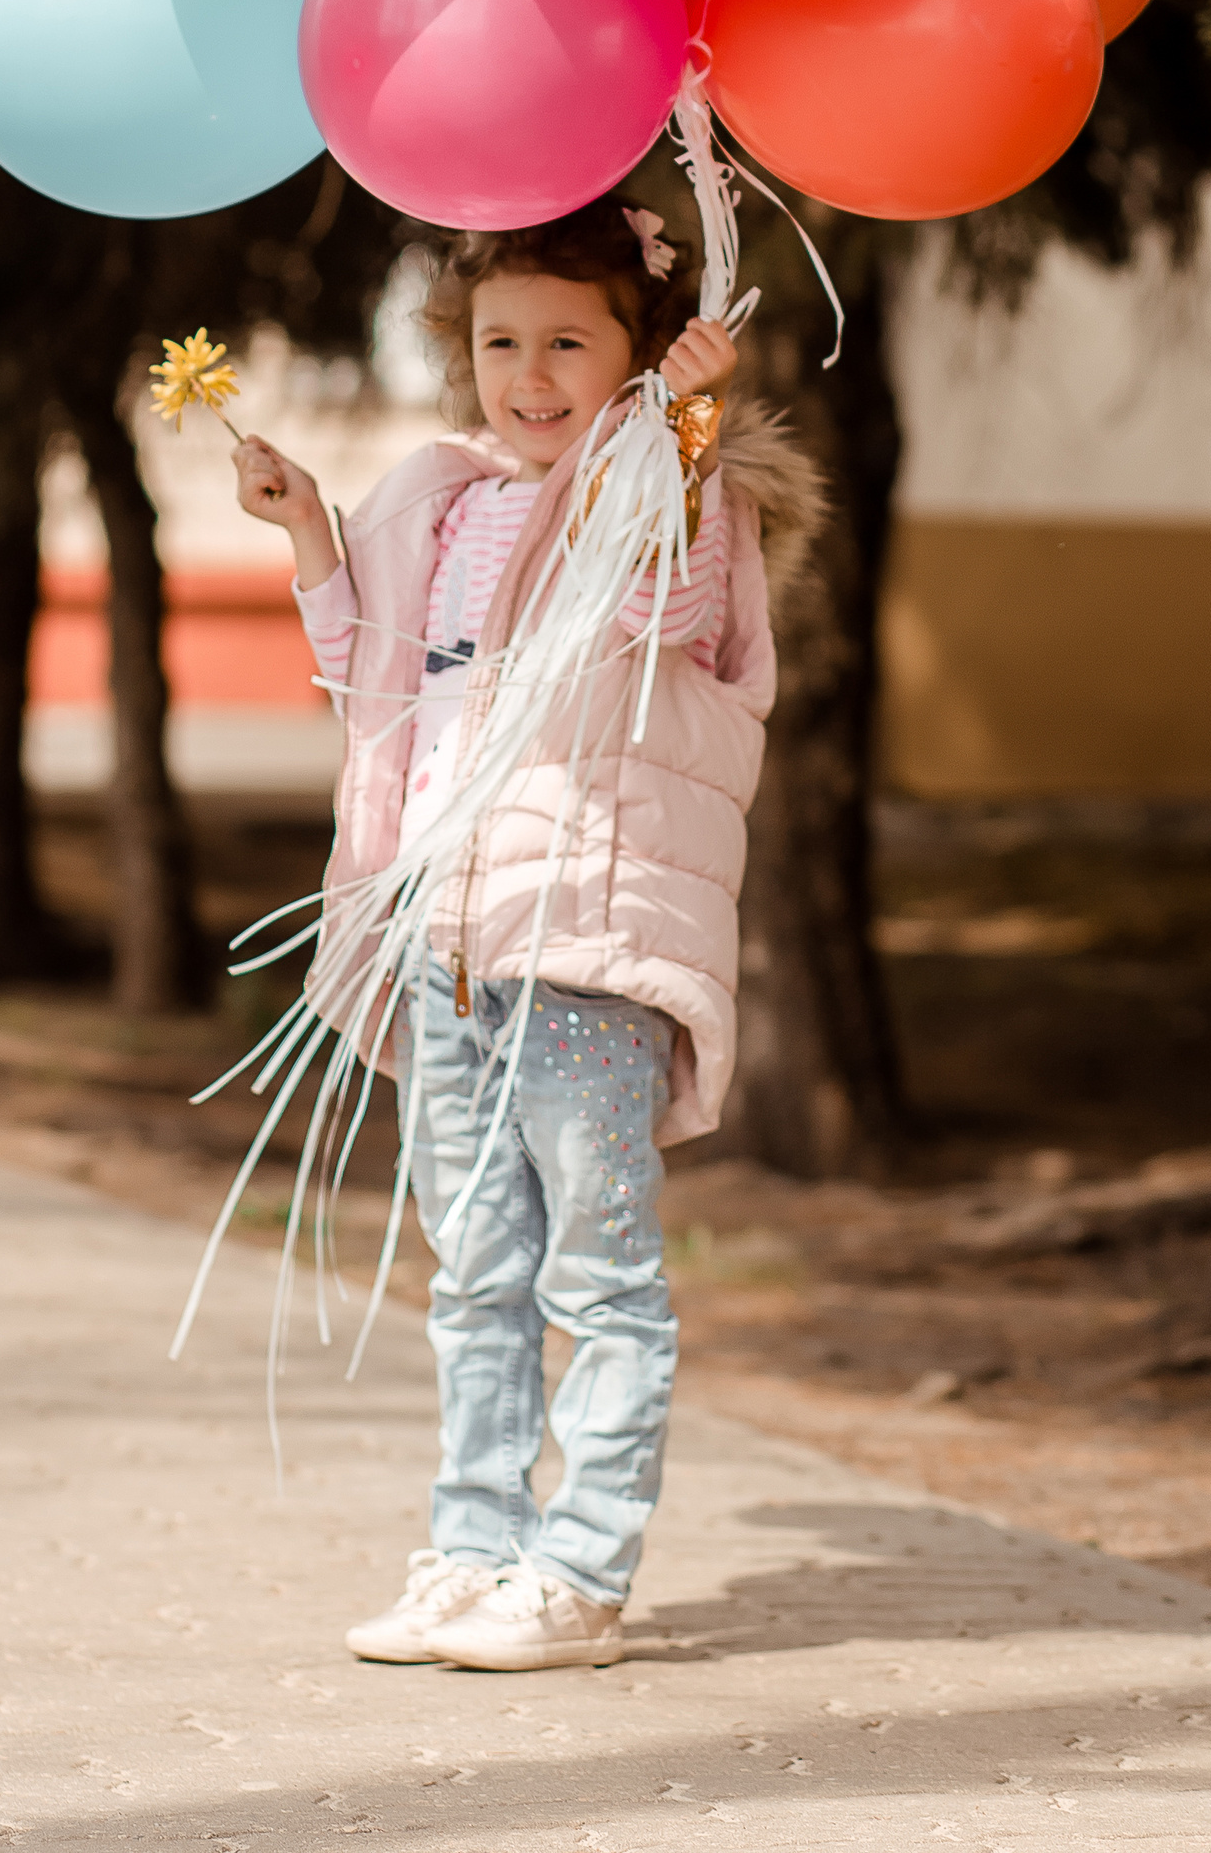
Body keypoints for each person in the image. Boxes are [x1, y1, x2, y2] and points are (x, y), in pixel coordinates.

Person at [231, 198, 820, 1676]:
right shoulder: (443, 498)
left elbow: (674, 613)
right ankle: (472, 1549)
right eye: (503, 343)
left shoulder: (668, 496)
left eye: (570, 341)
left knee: (597, 1271)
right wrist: (312, 527)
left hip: (583, 940)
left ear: (633, 354)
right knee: (474, 1267)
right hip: (450, 941)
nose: (532, 374)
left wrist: (682, 435)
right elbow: (368, 672)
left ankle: (582, 1575)